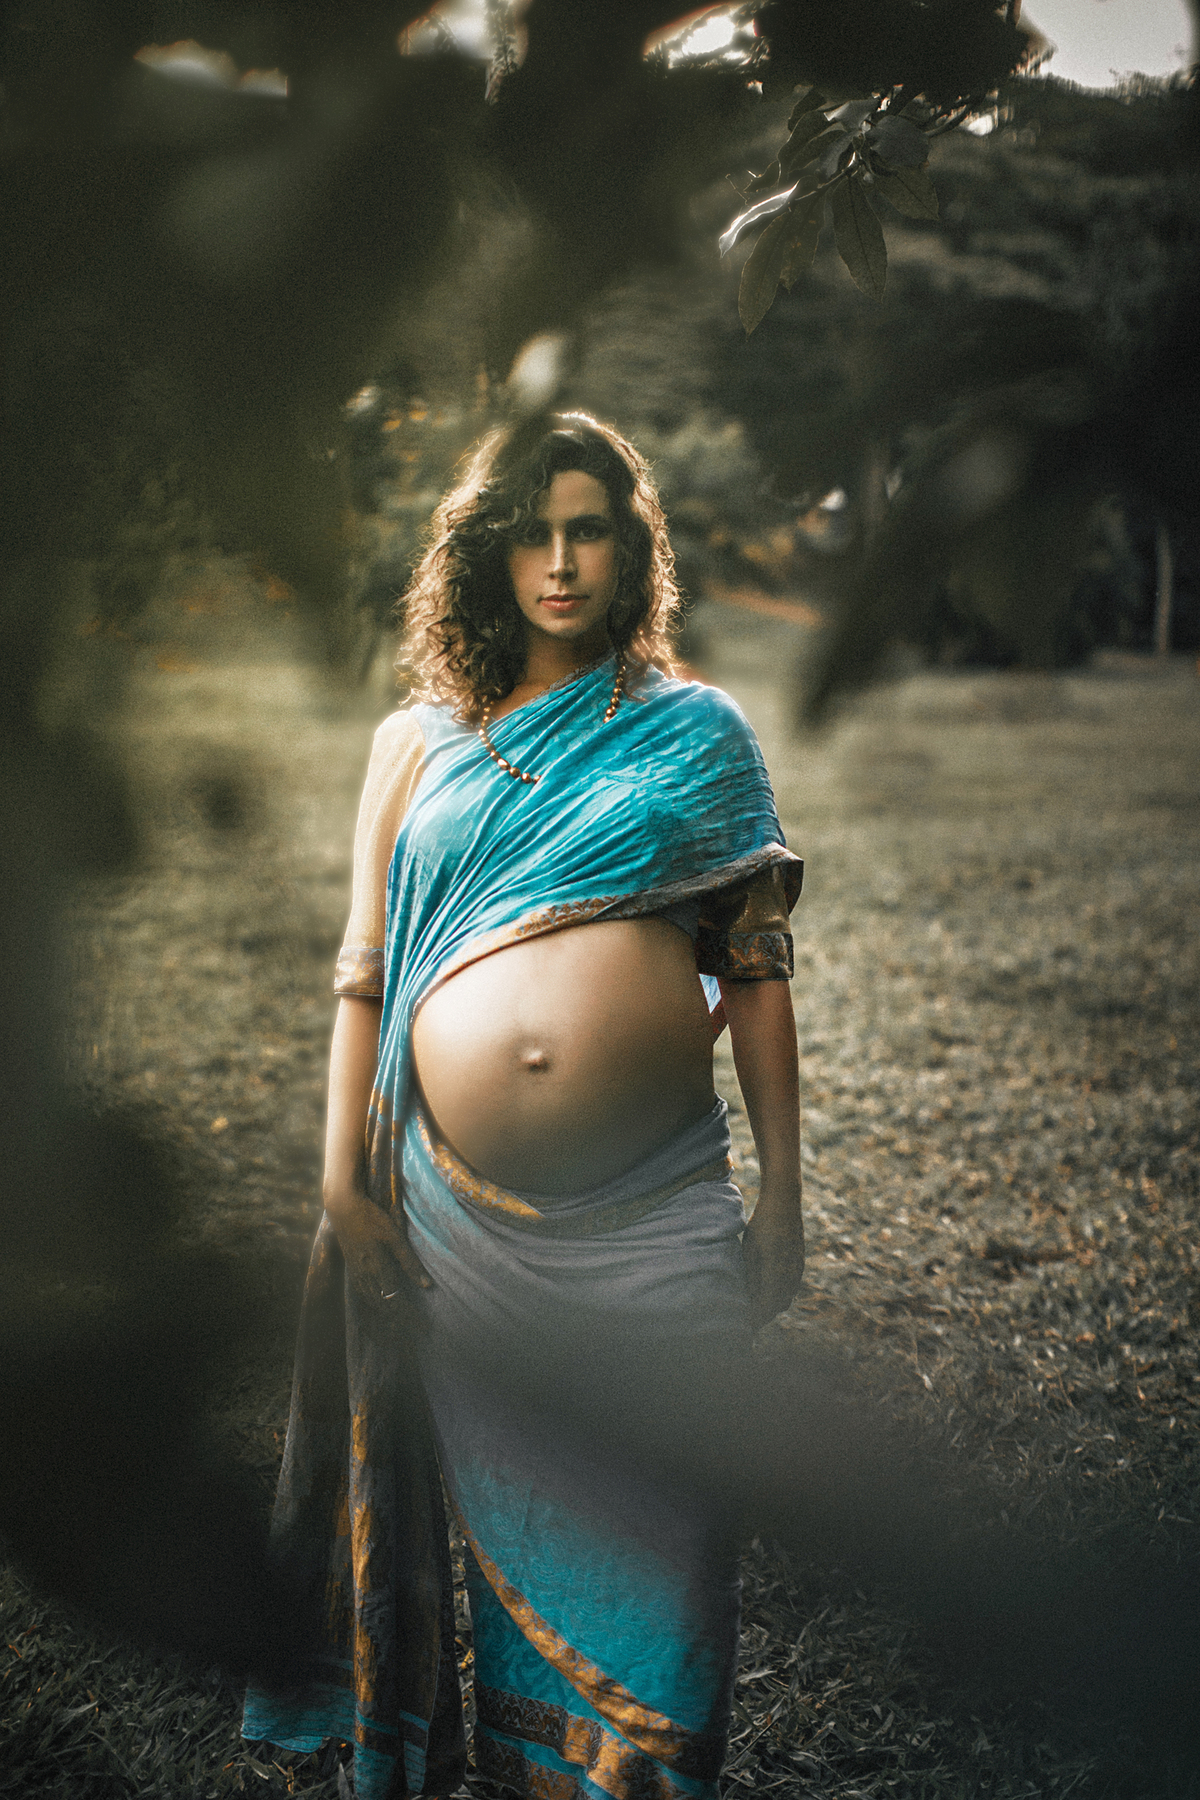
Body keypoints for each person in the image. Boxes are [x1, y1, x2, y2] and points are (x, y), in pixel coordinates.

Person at [243, 414, 805, 1800]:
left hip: (657, 1220)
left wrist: (785, 1189)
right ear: (488, 553)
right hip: (452, 1232)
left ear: (631, 546)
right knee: (505, 1591)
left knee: (670, 1572)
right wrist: (340, 1185)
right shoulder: (414, 746)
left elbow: (758, 969)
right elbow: (364, 979)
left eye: (590, 529)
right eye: (532, 533)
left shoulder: (698, 734)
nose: (561, 562)